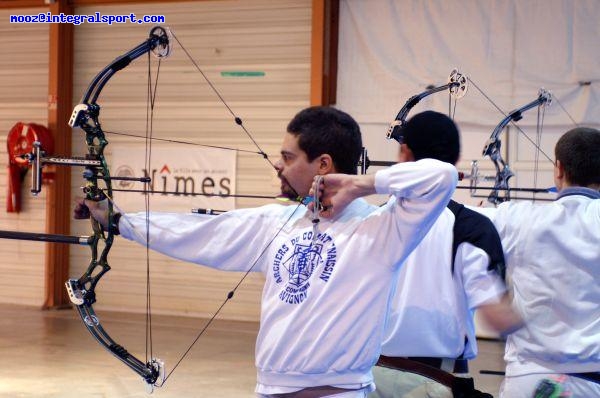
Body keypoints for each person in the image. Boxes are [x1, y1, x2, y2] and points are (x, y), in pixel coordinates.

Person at [75, 106, 458, 398]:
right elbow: (200, 232)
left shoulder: (382, 229)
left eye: (288, 157)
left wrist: (359, 185)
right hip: (270, 390)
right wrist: (118, 221)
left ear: (323, 164)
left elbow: (441, 176)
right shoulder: (276, 222)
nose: (278, 164)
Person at [312, 111, 521, 398]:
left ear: (403, 153)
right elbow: (498, 316)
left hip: (365, 376)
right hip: (434, 381)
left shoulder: (371, 220)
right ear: (455, 161)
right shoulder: (472, 227)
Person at [473, 127, 600, 398]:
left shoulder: (516, 218)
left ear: (558, 169)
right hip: (592, 383)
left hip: (528, 379)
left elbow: (450, 218)